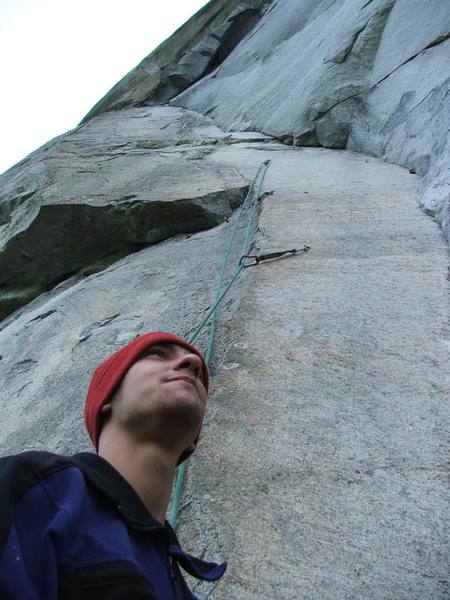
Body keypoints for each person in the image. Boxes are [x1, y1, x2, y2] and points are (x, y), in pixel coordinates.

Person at [0, 331, 226, 599]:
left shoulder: (179, 587)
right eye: (156, 354)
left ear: (192, 442)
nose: (193, 361)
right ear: (105, 398)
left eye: (199, 375)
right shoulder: (34, 488)